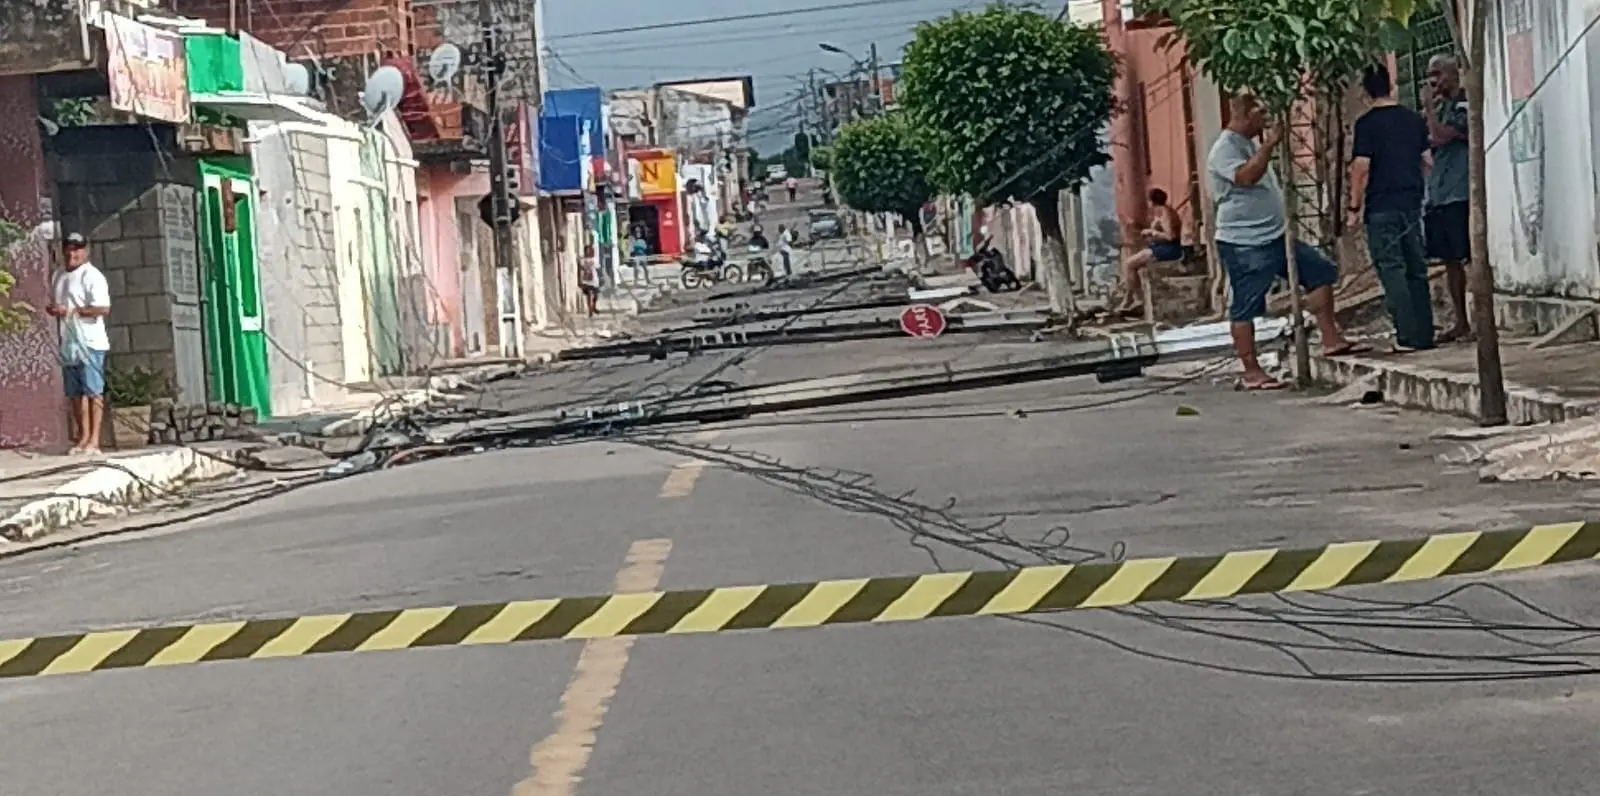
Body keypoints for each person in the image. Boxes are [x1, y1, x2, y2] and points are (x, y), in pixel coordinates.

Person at [1208, 93, 1367, 391]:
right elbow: (1245, 177)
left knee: (1320, 271)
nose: (1266, 120)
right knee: (1246, 304)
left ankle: (1330, 337)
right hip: (1245, 241)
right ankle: (1252, 370)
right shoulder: (1224, 149)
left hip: (1275, 234)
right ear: (1247, 115)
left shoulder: (1248, 144)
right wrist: (1269, 145)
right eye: (1261, 114)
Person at [1349, 62, 1434, 353]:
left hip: (1381, 205)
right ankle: (1424, 334)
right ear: (1392, 86)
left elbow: (1361, 167)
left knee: (1392, 268)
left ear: (1365, 92)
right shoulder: (1413, 120)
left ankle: (1406, 335)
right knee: (1416, 268)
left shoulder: (1366, 125)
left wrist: (1354, 206)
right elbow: (1427, 161)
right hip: (1412, 204)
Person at [46, 232, 112, 455]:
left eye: (77, 249)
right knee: (75, 393)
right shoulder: (59, 275)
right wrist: (55, 310)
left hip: (90, 341)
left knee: (93, 391)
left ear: (85, 251)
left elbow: (103, 309)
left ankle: (95, 440)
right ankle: (82, 437)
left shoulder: (92, 276)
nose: (72, 254)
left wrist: (72, 311)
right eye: (69, 249)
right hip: (69, 341)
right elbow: (59, 304)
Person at [1423, 53, 1472, 342]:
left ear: (1453, 74)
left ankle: (1479, 320)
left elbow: (1441, 136)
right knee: (1449, 260)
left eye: (1438, 73)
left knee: (1468, 257)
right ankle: (1460, 320)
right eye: (1431, 74)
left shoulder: (1463, 105)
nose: (1434, 80)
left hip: (1460, 192)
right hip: (1440, 193)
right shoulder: (1441, 108)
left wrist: (1429, 110)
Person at [1116, 187, 1185, 314]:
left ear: (1152, 201)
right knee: (1131, 264)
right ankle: (1131, 298)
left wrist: (1152, 232)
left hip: (1169, 249)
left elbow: (1170, 236)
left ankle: (1134, 299)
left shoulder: (1165, 213)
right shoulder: (1162, 211)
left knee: (1129, 264)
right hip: (1159, 247)